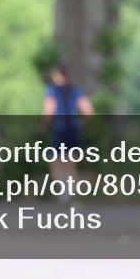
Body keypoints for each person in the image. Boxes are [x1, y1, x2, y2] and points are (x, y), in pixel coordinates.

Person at [42, 65, 94, 203]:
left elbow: (49, 110)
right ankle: (72, 192)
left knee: (56, 162)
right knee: (70, 163)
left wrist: (44, 125)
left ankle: (64, 192)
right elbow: (88, 110)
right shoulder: (76, 90)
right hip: (74, 129)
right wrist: (82, 124)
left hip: (60, 128)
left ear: (59, 75)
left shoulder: (52, 91)